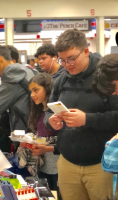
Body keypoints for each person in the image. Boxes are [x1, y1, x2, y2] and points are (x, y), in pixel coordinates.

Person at [37, 29, 118, 200]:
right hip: (68, 163)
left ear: (86, 51)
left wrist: (87, 119)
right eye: (63, 60)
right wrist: (51, 122)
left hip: (101, 164)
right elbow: (48, 115)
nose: (67, 64)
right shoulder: (61, 80)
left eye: (72, 58)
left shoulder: (106, 76)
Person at [26, 73, 59, 191]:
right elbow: (39, 135)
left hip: (57, 167)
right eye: (31, 91)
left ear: (48, 88)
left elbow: (66, 140)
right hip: (41, 165)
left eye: (36, 90)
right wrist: (26, 141)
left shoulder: (57, 112)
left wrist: (46, 146)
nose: (32, 95)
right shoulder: (38, 110)